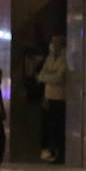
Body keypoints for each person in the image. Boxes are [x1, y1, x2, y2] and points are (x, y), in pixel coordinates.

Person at [37, 35, 67, 163]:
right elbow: (41, 75)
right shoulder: (49, 58)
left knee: (58, 127)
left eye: (56, 43)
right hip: (49, 97)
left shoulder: (65, 59)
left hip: (60, 98)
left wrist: (45, 76)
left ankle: (60, 155)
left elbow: (59, 78)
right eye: (52, 43)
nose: (53, 45)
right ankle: (51, 152)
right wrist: (48, 76)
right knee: (48, 126)